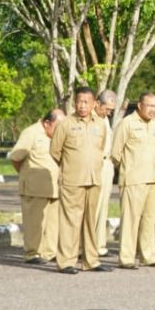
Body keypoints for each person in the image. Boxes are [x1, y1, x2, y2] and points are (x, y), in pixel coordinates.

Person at [50, 87, 113, 274]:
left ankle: (91, 260)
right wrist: (71, 166)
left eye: (86, 102)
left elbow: (100, 149)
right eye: (79, 101)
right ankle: (66, 262)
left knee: (90, 220)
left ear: (94, 104)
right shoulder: (66, 124)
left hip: (94, 179)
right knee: (71, 221)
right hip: (72, 180)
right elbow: (55, 151)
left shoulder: (100, 124)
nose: (82, 105)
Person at [110, 91, 155, 269]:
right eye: (150, 106)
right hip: (134, 179)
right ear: (140, 106)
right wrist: (129, 169)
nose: (153, 110)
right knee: (131, 219)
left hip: (154, 178)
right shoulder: (127, 123)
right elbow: (115, 153)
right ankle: (126, 257)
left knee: (150, 218)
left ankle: (148, 255)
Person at [10, 108, 65, 265]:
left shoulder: (57, 136)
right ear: (47, 123)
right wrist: (26, 175)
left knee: (53, 223)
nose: (59, 131)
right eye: (57, 127)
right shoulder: (31, 133)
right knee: (35, 223)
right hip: (34, 187)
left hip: (54, 187)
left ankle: (49, 252)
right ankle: (32, 253)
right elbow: (16, 158)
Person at [93, 89, 118, 256]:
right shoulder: (90, 119)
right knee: (92, 208)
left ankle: (99, 245)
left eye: (111, 110)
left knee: (103, 207)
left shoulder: (105, 120)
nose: (108, 112)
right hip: (95, 165)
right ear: (97, 103)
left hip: (107, 165)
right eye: (106, 109)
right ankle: (86, 246)